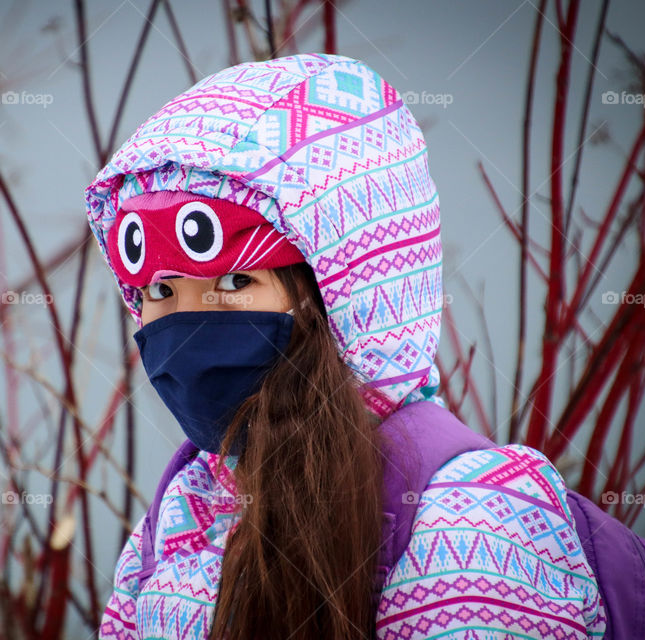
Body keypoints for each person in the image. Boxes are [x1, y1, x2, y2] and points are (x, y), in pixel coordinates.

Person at [85, 54, 605, 639]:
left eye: (234, 282)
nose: (184, 327)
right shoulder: (183, 515)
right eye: (157, 289)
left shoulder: (468, 525)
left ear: (346, 293)